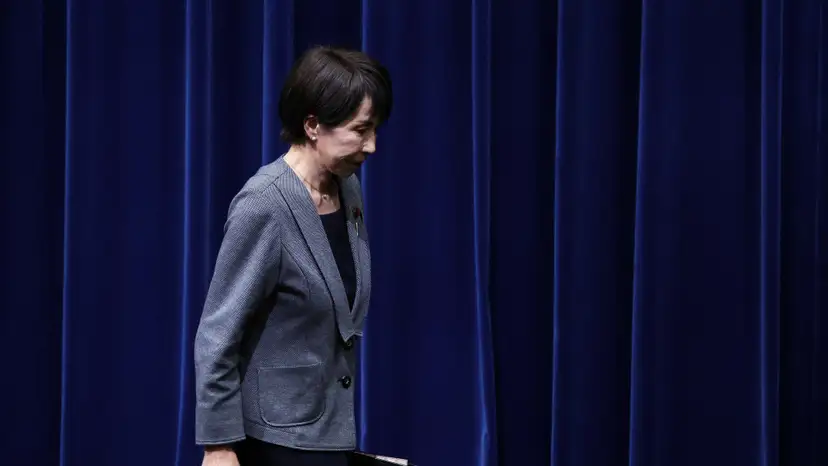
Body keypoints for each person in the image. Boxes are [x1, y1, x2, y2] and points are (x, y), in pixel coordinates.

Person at [193, 46, 392, 466]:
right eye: (361, 130)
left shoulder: (347, 188)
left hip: (328, 430)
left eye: (375, 129)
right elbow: (217, 335)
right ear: (313, 125)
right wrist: (219, 445)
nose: (372, 145)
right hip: (275, 441)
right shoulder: (264, 205)